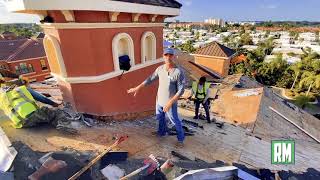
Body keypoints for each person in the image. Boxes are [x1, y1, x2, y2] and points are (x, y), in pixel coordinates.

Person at [127, 48, 186, 147]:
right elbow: (150, 79)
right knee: (160, 118)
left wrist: (170, 103)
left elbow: (181, 90)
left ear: (174, 56)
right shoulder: (160, 69)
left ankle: (181, 140)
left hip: (170, 103)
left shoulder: (178, 72)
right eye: (166, 55)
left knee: (175, 121)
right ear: (163, 57)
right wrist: (138, 88)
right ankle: (161, 133)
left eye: (170, 55)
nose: (168, 57)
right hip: (159, 100)